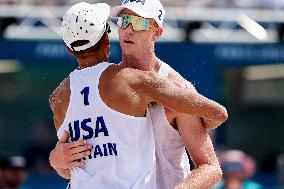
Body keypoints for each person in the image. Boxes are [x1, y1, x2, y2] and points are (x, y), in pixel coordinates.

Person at [49, 2, 227, 189]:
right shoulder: (105, 84)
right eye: (124, 21)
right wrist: (57, 161)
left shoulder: (177, 89)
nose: (129, 29)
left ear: (156, 33)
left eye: (139, 23)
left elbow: (211, 167)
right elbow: (89, 166)